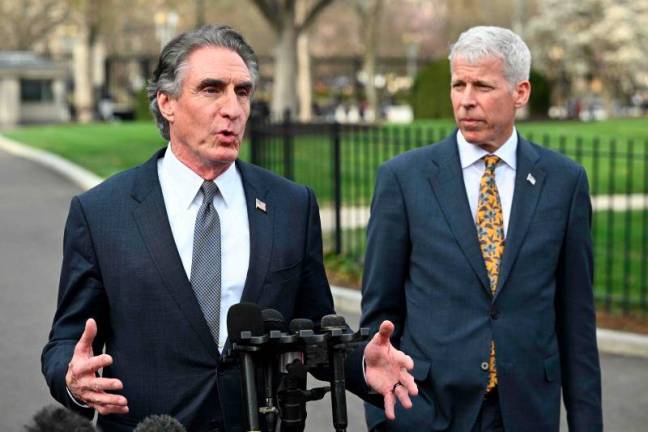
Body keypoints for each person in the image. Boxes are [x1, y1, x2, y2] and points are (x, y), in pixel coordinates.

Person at [42, 25, 417, 432]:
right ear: (167, 103)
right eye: (211, 89)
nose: (233, 108)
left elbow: (314, 330)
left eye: (242, 91)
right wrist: (73, 379)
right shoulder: (101, 212)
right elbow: (66, 341)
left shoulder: (291, 205)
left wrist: (362, 362)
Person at [362, 26, 602, 431]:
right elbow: (379, 316)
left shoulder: (564, 182)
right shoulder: (404, 179)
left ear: (520, 93)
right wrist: (385, 420)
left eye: (483, 86)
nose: (466, 100)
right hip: (428, 411)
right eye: (459, 84)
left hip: (527, 413)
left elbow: (576, 322)